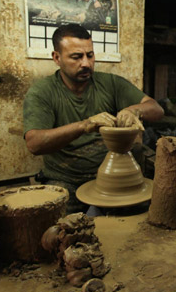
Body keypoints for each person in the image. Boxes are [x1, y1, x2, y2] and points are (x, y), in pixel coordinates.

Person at [23, 24, 164, 213]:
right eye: (76, 57)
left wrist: (134, 110)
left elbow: (156, 109)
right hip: (67, 178)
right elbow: (34, 143)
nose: (86, 63)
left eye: (90, 55)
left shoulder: (110, 83)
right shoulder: (42, 92)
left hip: (115, 175)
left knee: (142, 222)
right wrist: (84, 126)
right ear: (56, 58)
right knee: (63, 230)